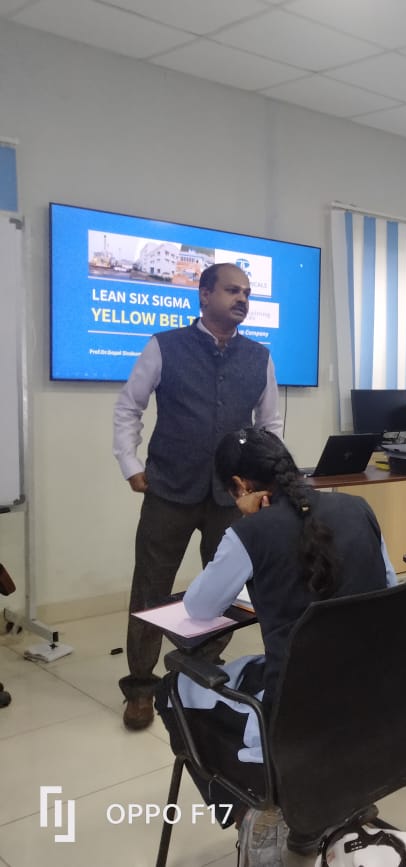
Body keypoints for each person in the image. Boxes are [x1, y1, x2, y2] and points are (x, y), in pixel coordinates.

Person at [156, 428, 396, 826]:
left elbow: (199, 608)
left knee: (173, 686)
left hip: (297, 710)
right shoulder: (358, 508)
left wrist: (247, 529)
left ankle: (252, 807)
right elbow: (388, 588)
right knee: (263, 664)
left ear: (240, 485)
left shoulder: (249, 534)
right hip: (373, 696)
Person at [113, 262, 282, 731]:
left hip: (231, 495)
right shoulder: (164, 346)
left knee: (228, 586)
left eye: (247, 292)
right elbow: (129, 406)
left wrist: (265, 479)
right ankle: (141, 687)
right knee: (151, 586)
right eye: (232, 290)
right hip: (168, 489)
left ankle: (200, 664)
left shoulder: (259, 357)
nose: (242, 299)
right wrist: (131, 465)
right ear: (204, 294)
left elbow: (270, 426)